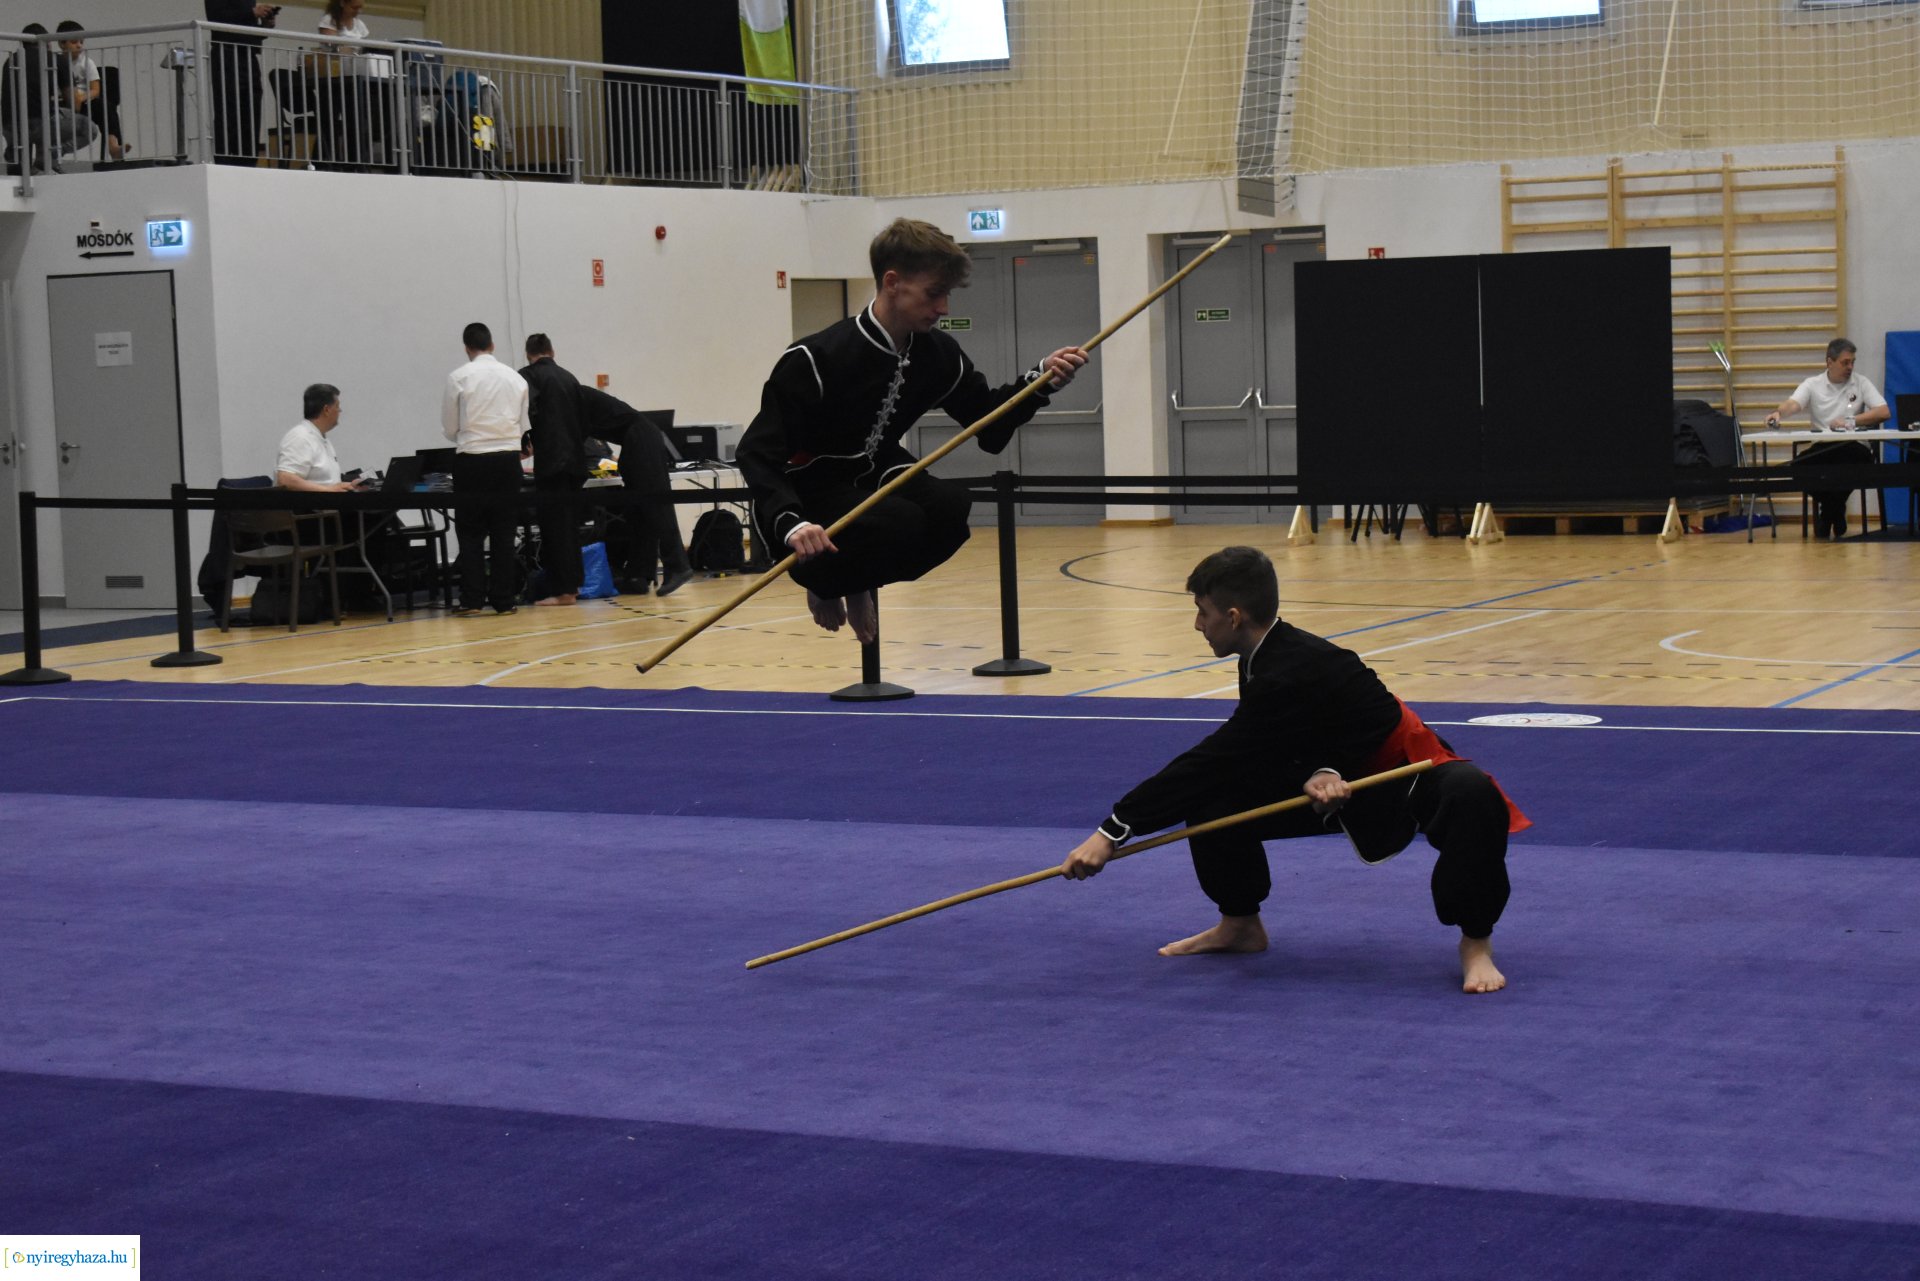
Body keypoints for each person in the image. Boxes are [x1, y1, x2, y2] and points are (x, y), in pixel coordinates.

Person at [1059, 546, 1530, 995]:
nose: (1197, 624)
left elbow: (1220, 756)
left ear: (1234, 617)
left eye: (1203, 612)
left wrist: (1113, 830)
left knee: (1471, 793)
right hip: (1330, 781)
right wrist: (1317, 770)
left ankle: (1476, 941)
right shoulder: (1261, 658)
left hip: (1401, 775)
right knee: (1211, 800)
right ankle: (1240, 924)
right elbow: (1283, 739)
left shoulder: (1299, 664)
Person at [735, 217, 1088, 644]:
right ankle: (824, 579)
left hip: (877, 471)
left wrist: (1040, 381)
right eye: (933, 294)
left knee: (949, 512)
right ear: (892, 282)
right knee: (896, 522)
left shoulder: (937, 354)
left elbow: (987, 422)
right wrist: (791, 525)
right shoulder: (816, 357)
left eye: (947, 295)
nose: (943, 308)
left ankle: (857, 579)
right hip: (812, 486)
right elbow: (758, 453)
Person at [442, 322, 530, 617]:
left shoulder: (459, 377)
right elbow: (523, 424)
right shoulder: (515, 378)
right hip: (507, 460)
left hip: (473, 458)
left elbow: (450, 426)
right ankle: (504, 600)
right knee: (504, 532)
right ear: (492, 344)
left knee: (470, 532)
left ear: (467, 348)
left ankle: (472, 599)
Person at [1765, 337, 1889, 540]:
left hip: (1853, 446)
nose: (1850, 367)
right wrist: (1778, 413)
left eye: (1852, 362)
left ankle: (1827, 514)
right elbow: (1794, 404)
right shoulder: (1812, 384)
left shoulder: (1861, 382)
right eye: (1845, 362)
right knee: (1797, 468)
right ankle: (1836, 510)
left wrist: (1851, 420)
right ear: (1829, 362)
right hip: (1823, 447)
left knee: (1854, 463)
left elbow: (1883, 411)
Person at [576, 386, 693, 597]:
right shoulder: (580, 397)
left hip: (640, 439)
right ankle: (638, 574)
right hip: (635, 439)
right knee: (639, 512)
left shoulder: (572, 400)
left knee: (657, 506)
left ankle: (677, 565)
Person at [518, 333, 588, 607]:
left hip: (551, 462)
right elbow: (584, 422)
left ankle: (563, 592)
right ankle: (575, 585)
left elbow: (527, 413)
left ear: (528, 354)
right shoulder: (570, 377)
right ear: (552, 351)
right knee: (571, 528)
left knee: (554, 529)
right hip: (575, 462)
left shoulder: (528, 376)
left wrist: (527, 443)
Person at [203, 1, 278, 166]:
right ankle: (224, 160)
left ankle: (248, 160)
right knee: (228, 107)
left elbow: (248, 30)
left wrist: (265, 25)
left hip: (248, 54)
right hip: (226, 53)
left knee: (251, 106)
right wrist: (252, 13)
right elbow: (217, 18)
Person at [275, 383, 364, 492]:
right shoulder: (300, 437)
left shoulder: (321, 439)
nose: (340, 411)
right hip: (307, 508)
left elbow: (325, 483)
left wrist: (347, 485)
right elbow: (285, 479)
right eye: (337, 406)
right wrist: (328, 490)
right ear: (326, 410)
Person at [48, 23, 101, 162]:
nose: (79, 45)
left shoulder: (87, 62)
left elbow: (95, 89)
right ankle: (48, 156)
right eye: (74, 42)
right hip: (59, 101)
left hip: (82, 101)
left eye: (81, 42)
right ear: (61, 43)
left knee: (100, 112)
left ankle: (58, 151)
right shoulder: (54, 62)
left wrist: (81, 97)